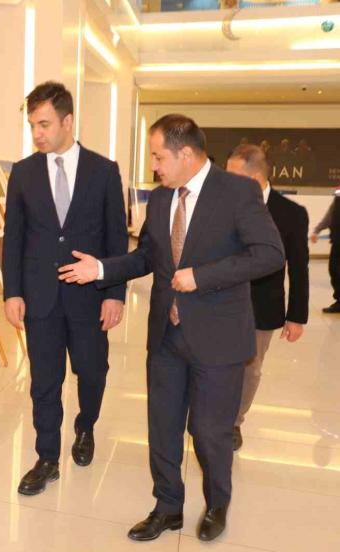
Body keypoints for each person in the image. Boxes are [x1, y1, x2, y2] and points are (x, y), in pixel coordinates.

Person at [59, 114, 284, 542]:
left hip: (218, 338)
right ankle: (167, 507)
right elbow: (147, 256)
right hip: (167, 335)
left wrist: (203, 276)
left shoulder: (237, 191)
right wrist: (101, 268)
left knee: (209, 432)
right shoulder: (162, 200)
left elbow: (270, 254)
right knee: (162, 427)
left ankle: (217, 504)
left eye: (158, 157)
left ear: (186, 154)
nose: (154, 166)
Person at [2, 81, 127, 496]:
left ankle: (85, 426)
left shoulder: (103, 171)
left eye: (44, 124)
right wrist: (12, 291)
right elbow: (14, 238)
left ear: (67, 121)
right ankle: (47, 458)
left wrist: (114, 293)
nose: (36, 133)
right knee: (44, 381)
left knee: (92, 373)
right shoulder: (23, 173)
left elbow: (116, 238)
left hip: (89, 297)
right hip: (40, 297)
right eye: (32, 125)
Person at [226, 144, 309, 451]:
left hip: (262, 306)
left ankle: (234, 422)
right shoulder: (222, 206)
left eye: (233, 174)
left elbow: (299, 267)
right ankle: (214, 414)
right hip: (220, 300)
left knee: (250, 368)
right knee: (216, 362)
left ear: (254, 177)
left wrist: (296, 316)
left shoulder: (291, 214)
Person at [311, 195, 340, 313]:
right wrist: (317, 230)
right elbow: (330, 215)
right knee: (334, 270)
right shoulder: (338, 198)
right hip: (337, 241)